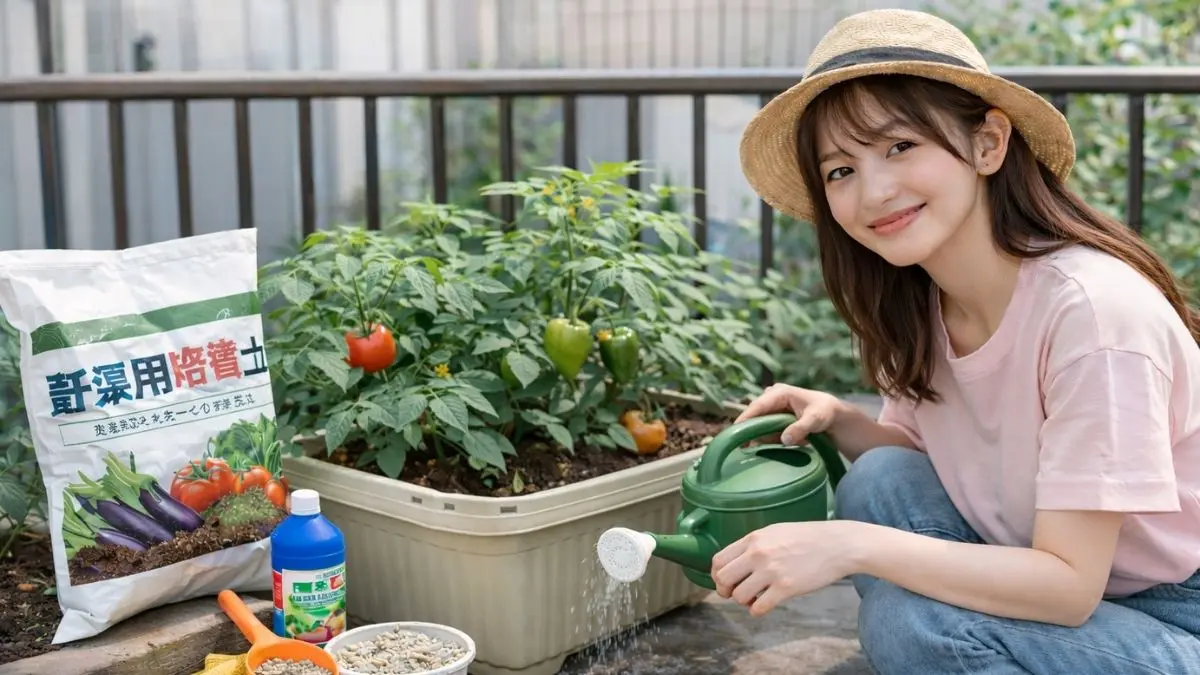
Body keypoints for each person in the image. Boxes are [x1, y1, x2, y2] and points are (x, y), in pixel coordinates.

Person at [711, 8, 1200, 674]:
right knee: (877, 481)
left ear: (987, 144)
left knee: (916, 625)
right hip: (1065, 585)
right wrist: (841, 421)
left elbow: (1068, 584)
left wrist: (850, 547)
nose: (874, 190)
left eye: (900, 146)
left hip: (1171, 615)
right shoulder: (923, 302)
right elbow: (941, 463)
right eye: (841, 171)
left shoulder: (1092, 313)